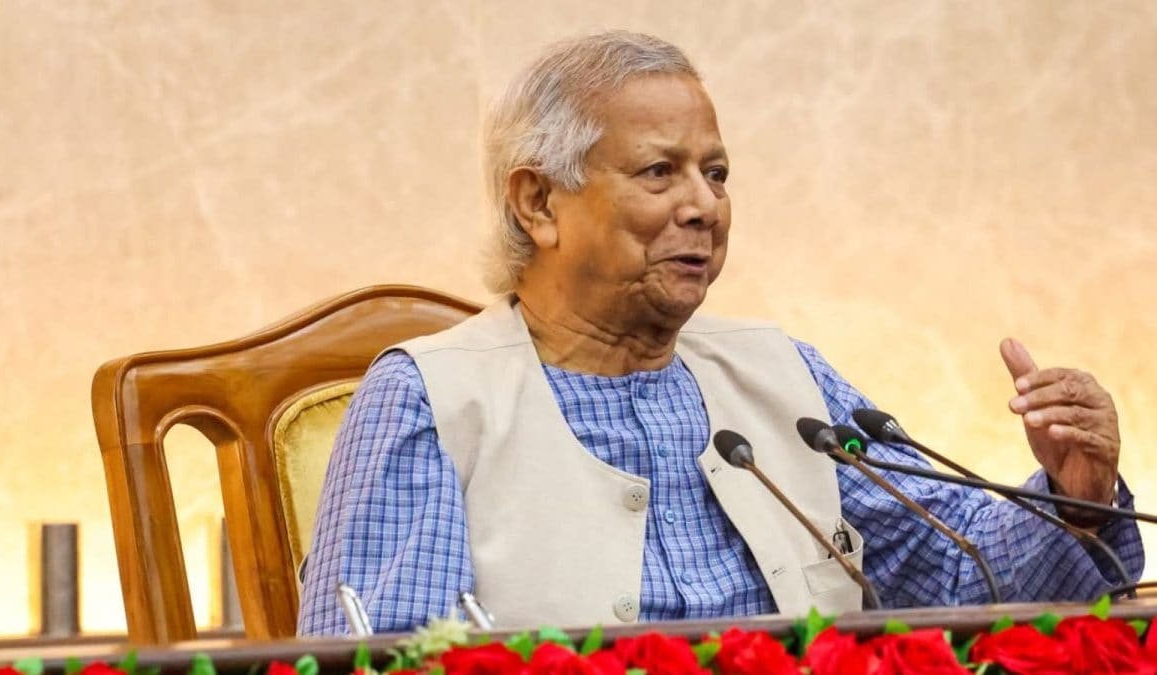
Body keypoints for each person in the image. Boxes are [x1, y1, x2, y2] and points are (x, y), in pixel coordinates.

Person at [297, 31, 1143, 635]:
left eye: (717, 172)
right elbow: (379, 659)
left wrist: (1076, 498)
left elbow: (962, 578)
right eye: (659, 171)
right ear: (538, 202)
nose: (705, 205)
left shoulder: (787, 380)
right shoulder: (430, 403)